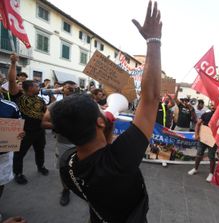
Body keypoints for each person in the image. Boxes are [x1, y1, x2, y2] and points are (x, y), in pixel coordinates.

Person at [51, 2, 162, 222]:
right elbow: (150, 100)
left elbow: (102, 147)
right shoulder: (120, 161)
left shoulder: (67, 163)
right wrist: (154, 40)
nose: (104, 109)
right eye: (100, 109)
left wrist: (103, 120)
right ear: (99, 123)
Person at [8, 54, 49, 185]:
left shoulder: (40, 100)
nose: (39, 88)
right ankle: (18, 173)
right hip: (24, 132)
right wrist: (14, 63)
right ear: (30, 88)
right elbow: (12, 81)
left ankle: (40, 166)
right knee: (19, 155)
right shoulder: (18, 96)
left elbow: (44, 114)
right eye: (37, 86)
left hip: (39, 131)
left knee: (40, 150)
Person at [41, 80, 78, 206]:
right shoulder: (56, 105)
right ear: (63, 90)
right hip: (64, 143)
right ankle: (66, 190)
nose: (72, 91)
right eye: (69, 88)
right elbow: (44, 122)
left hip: (83, 143)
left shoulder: (85, 104)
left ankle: (80, 186)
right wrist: (61, 126)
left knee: (82, 166)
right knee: (64, 168)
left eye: (74, 89)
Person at [0, 98, 22, 221]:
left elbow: (17, 127)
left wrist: (19, 133)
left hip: (3, 155)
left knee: (1, 181)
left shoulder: (11, 107)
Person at [188, 103, 217, 182]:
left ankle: (211, 173)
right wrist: (196, 134)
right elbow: (198, 124)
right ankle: (195, 168)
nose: (212, 106)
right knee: (199, 154)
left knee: (211, 156)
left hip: (213, 139)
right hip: (203, 137)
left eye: (214, 105)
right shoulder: (206, 114)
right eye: (211, 105)